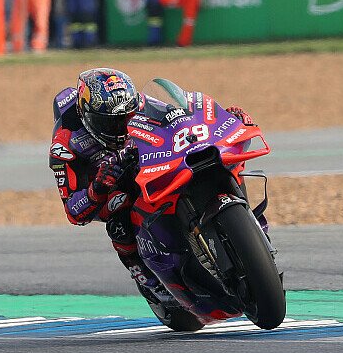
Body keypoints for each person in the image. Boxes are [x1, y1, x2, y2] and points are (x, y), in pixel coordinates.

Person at [49, 68, 256, 318]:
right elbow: (73, 212)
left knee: (217, 159)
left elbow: (181, 118)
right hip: (107, 182)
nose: (122, 127)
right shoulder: (65, 144)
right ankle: (152, 285)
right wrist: (98, 187)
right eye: (112, 122)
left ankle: (248, 223)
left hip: (145, 159)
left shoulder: (138, 103)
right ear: (88, 115)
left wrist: (225, 119)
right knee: (118, 220)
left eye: (127, 117)